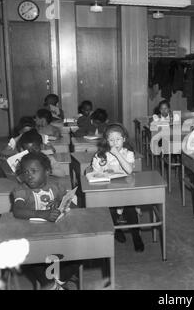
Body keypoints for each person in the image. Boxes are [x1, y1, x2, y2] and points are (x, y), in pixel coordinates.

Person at [12, 152, 78, 289]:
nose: (29, 175)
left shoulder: (57, 186)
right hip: (33, 239)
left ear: (47, 172)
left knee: (83, 251)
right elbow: (17, 210)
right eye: (25, 172)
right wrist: (43, 214)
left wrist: (61, 204)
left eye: (34, 171)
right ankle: (48, 282)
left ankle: (57, 281)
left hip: (58, 237)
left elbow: (73, 205)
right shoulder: (21, 190)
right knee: (30, 261)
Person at [91, 123, 144, 252]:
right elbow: (96, 174)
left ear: (124, 139)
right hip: (108, 190)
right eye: (111, 140)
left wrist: (117, 154)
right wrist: (102, 171)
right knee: (111, 210)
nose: (115, 143)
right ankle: (116, 231)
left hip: (126, 189)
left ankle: (136, 236)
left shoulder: (128, 153)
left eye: (118, 139)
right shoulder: (101, 155)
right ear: (106, 141)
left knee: (130, 210)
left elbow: (129, 170)